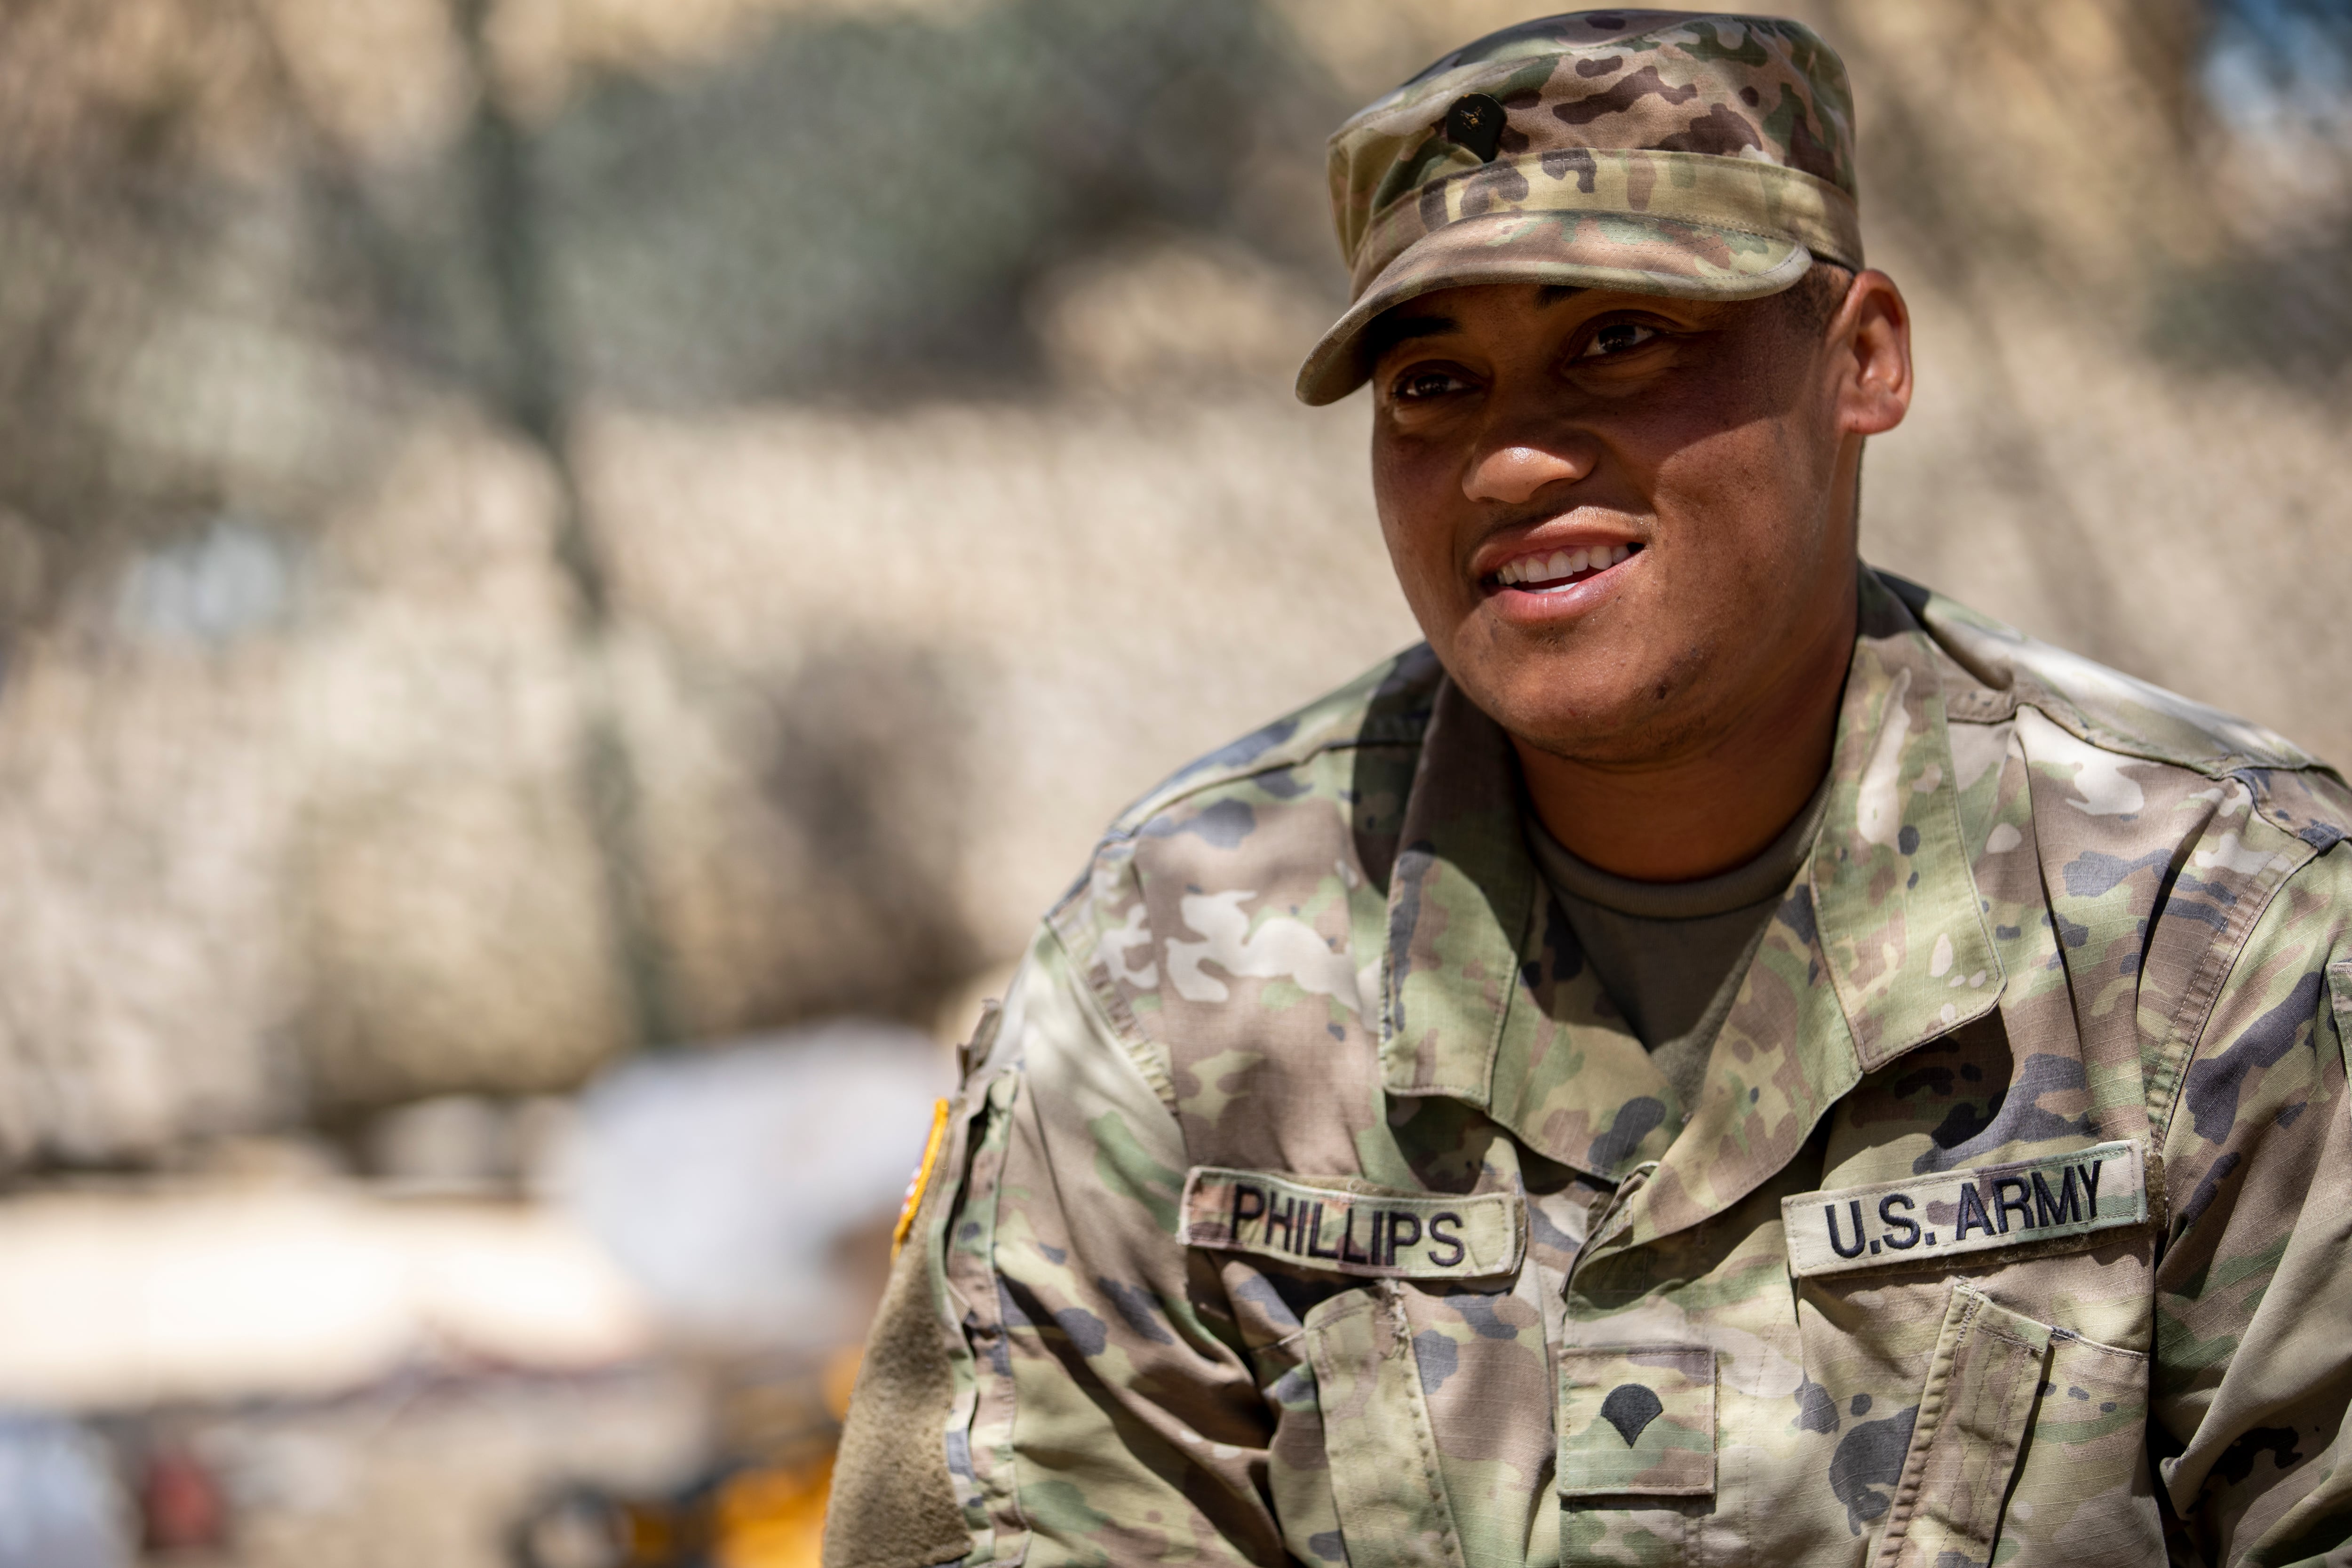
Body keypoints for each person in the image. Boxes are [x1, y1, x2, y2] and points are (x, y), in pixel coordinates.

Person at [825, 12, 2352, 1567]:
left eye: (1620, 339)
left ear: (1864, 360)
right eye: (1432, 383)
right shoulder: (1182, 968)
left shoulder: (2216, 938)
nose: (1507, 462)